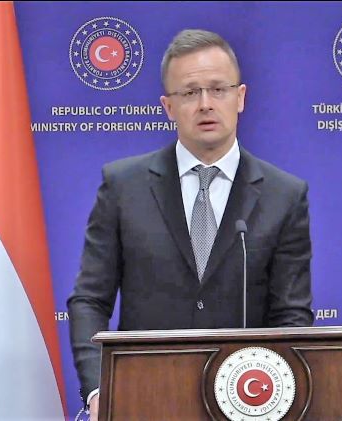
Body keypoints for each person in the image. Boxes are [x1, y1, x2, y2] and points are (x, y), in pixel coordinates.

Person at [67, 28, 313, 419]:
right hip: (142, 398)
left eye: (218, 89)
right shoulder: (123, 186)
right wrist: (100, 389)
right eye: (189, 92)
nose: (205, 104)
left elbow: (292, 316)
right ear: (168, 106)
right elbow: (89, 300)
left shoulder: (284, 195)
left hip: (247, 402)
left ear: (240, 97)